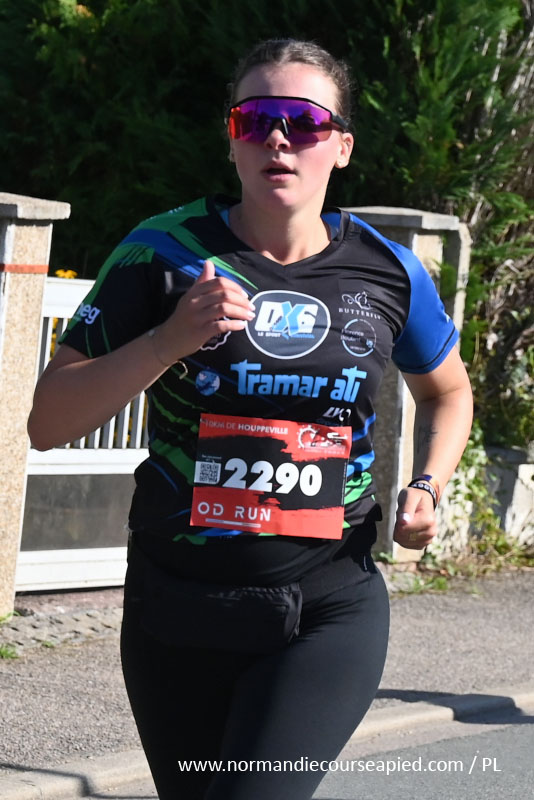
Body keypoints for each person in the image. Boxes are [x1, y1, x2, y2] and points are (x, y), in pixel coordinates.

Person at [28, 37, 473, 800]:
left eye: (305, 122)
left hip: (328, 603)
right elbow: (49, 422)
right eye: (255, 118)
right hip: (179, 602)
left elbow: (448, 392)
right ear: (231, 140)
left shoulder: (389, 270)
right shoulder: (161, 251)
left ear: (341, 147)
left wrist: (429, 485)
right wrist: (168, 340)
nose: (278, 138)